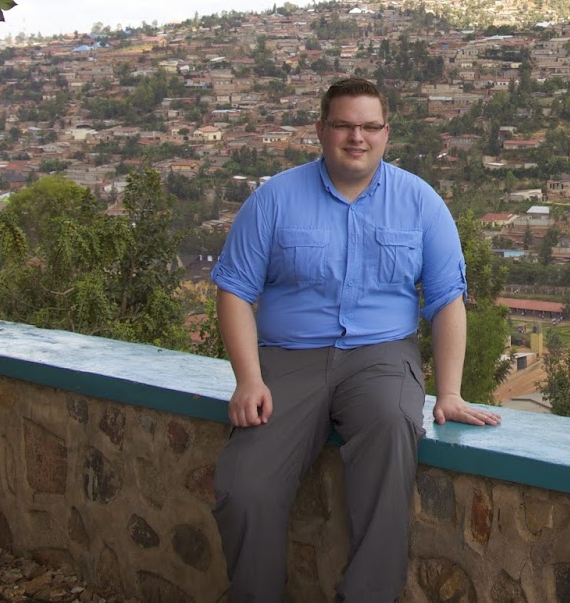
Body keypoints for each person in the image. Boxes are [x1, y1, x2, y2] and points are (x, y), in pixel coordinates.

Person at [210, 77, 501, 603]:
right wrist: (248, 380)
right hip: (288, 360)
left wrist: (451, 392)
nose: (356, 137)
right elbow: (233, 291)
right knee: (245, 486)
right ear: (321, 130)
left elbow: (446, 300)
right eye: (344, 125)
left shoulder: (421, 203)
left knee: (393, 430)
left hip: (381, 357)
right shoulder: (274, 199)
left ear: (386, 133)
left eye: (369, 126)